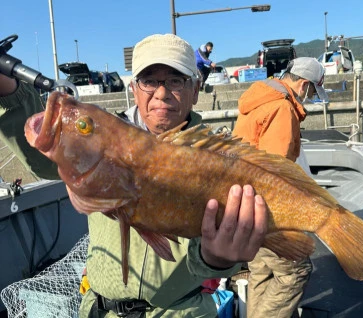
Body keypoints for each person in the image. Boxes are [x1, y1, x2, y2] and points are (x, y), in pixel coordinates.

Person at [0, 33, 268, 318]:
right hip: (98, 310)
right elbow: (42, 154)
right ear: (134, 88)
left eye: (176, 80)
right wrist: (7, 88)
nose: (162, 93)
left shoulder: (220, 161)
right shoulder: (100, 143)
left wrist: (217, 261)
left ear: (196, 90)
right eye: (149, 80)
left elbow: (221, 253)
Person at [232, 57, 329, 318]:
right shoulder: (283, 109)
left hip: (246, 204)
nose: (311, 97)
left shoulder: (259, 100)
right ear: (304, 85)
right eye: (312, 92)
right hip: (267, 210)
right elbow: (277, 172)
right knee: (295, 272)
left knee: (262, 270)